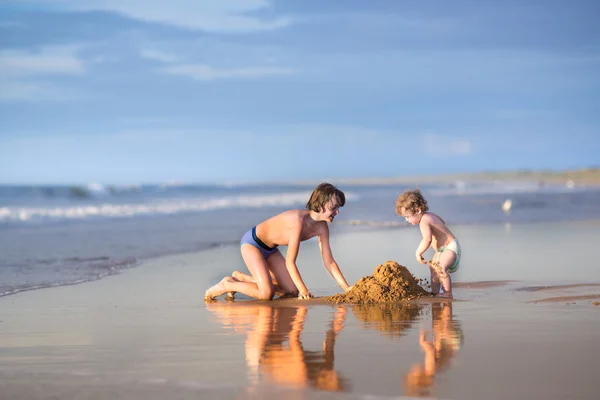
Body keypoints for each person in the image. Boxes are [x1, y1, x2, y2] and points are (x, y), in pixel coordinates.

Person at [204, 183, 352, 301]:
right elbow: (290, 262)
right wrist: (304, 291)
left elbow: (329, 261)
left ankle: (241, 278)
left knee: (291, 291)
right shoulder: (298, 222)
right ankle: (227, 284)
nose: (337, 212)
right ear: (320, 206)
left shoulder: (322, 227)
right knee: (266, 294)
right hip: (252, 244)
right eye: (334, 207)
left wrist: (346, 288)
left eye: (338, 207)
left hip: (271, 250)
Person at [395, 189, 461, 298]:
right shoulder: (430, 215)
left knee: (440, 268)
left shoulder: (424, 221)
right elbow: (441, 223)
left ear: (417, 210)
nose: (406, 220)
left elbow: (427, 239)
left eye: (407, 216)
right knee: (433, 268)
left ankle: (447, 293)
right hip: (443, 249)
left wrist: (418, 253)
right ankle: (435, 293)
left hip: (450, 248)